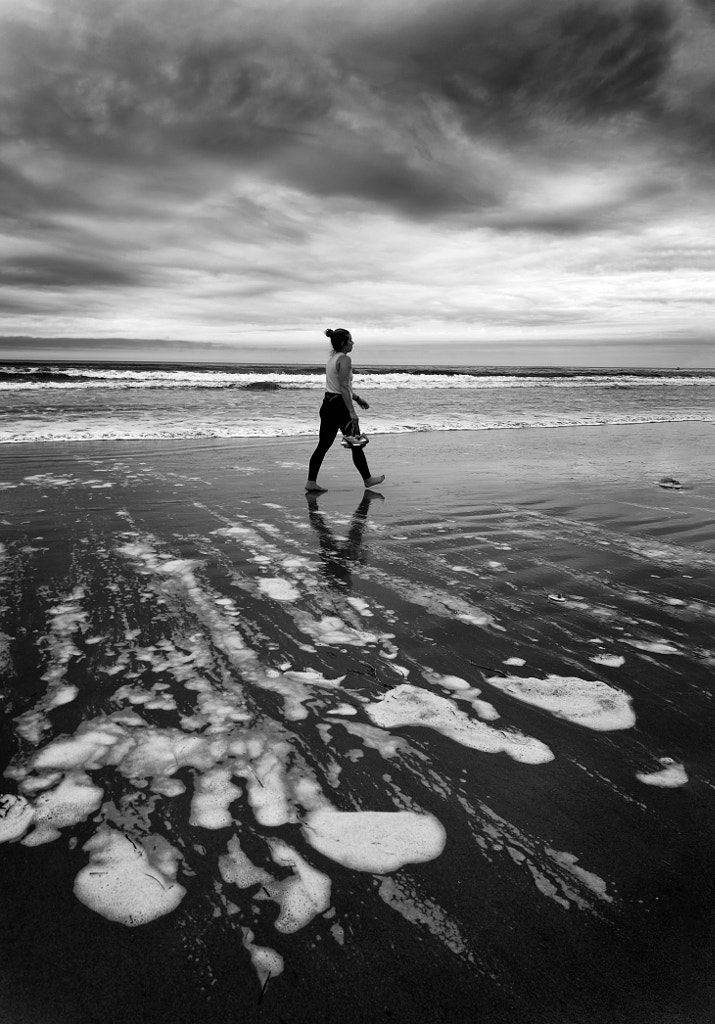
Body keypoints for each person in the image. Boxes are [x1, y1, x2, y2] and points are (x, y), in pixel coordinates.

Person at [306, 328, 385, 493]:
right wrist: (352, 412)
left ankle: (311, 482)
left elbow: (339, 386)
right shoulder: (345, 359)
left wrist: (357, 398)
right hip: (340, 406)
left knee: (323, 445)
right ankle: (368, 479)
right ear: (343, 343)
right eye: (350, 340)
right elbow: (342, 386)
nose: (353, 342)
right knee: (356, 442)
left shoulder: (331, 359)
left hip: (328, 404)